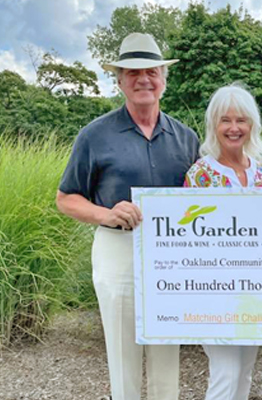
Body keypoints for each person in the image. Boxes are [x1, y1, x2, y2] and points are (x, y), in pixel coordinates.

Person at [56, 33, 199, 400]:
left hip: (172, 258)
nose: (143, 80)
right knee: (122, 354)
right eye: (132, 73)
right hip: (117, 250)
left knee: (167, 351)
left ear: (164, 80)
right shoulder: (94, 135)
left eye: (151, 71)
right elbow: (66, 198)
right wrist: (106, 213)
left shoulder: (186, 138)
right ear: (119, 80)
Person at [184, 83, 262, 399]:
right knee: (226, 371)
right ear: (213, 126)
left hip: (254, 289)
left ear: (252, 125)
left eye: (241, 120)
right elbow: (189, 239)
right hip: (214, 290)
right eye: (225, 121)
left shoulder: (260, 173)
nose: (234, 128)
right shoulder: (201, 174)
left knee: (246, 368)